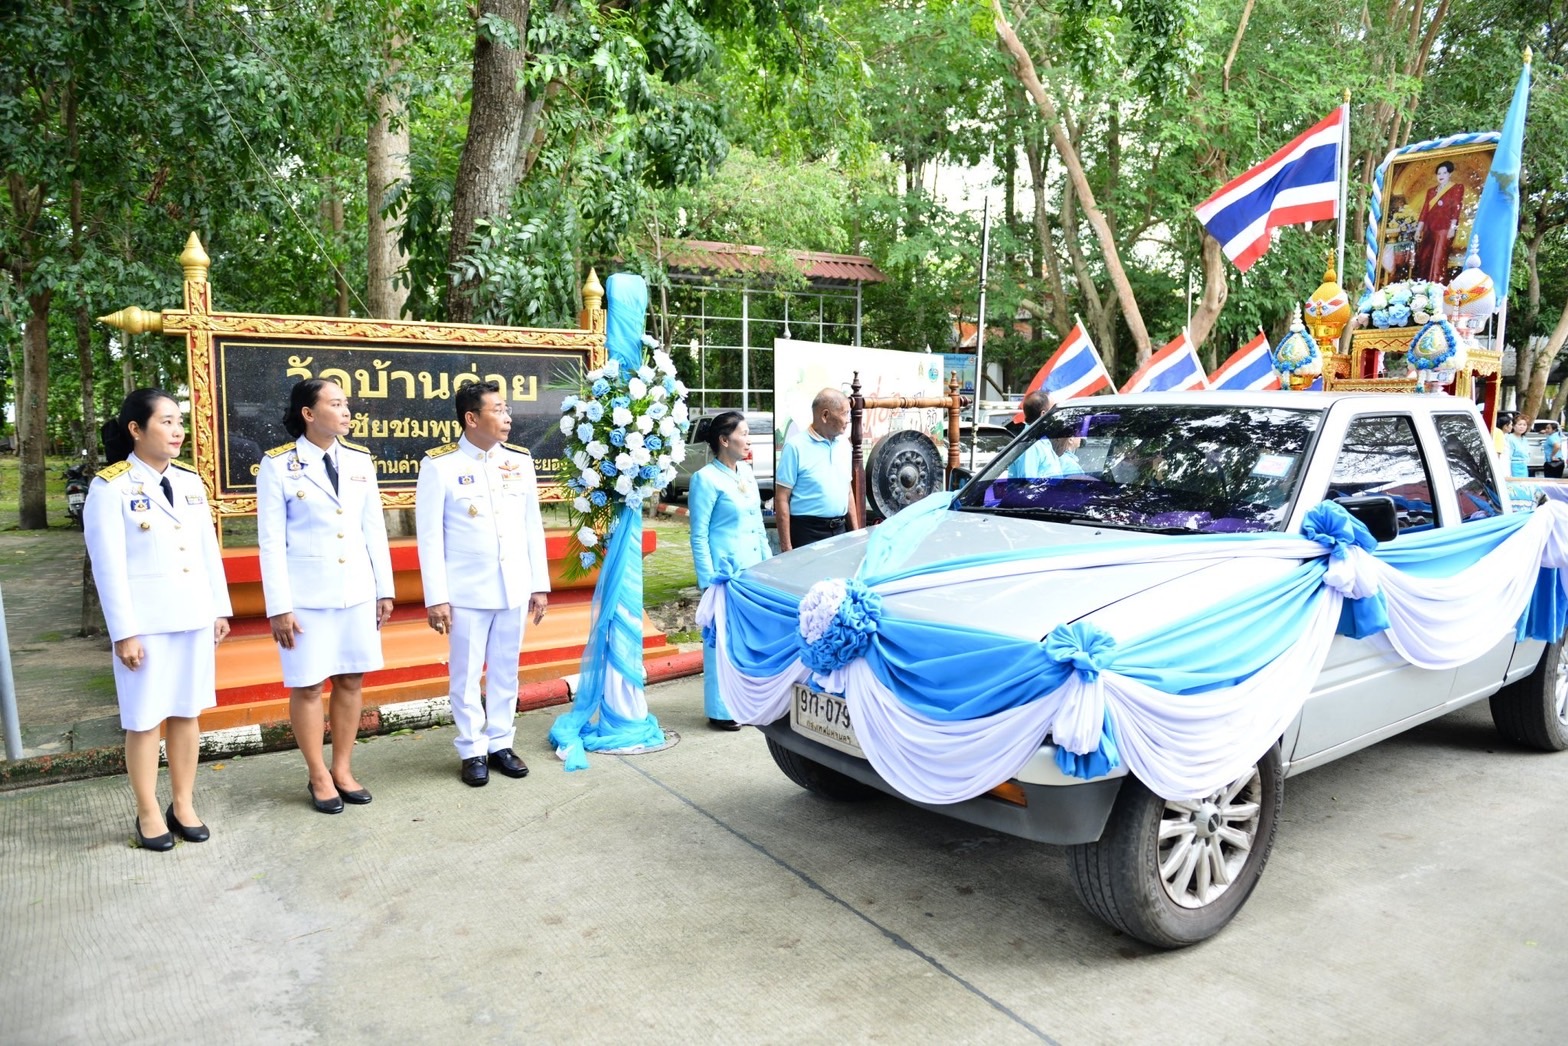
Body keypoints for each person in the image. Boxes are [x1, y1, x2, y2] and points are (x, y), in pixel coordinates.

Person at [83, 389, 232, 851]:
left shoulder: (189, 481)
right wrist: (123, 632)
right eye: (166, 422)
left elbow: (207, 548)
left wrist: (219, 608)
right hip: (144, 624)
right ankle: (148, 810)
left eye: (179, 421)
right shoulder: (110, 487)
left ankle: (182, 803)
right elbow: (107, 566)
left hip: (192, 615)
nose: (177, 431)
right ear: (136, 429)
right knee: (145, 720)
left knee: (187, 712)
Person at [258, 379, 395, 814]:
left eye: (346, 403)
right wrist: (279, 607)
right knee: (309, 684)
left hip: (356, 590)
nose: (346, 411)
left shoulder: (359, 461)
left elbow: (374, 528)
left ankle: (342, 767)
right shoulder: (278, 466)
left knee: (352, 678)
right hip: (306, 599)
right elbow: (270, 542)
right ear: (309, 413)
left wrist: (384, 589)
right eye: (335, 404)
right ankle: (317, 773)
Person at [416, 380, 549, 787]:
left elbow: (532, 528)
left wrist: (538, 585)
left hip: (512, 586)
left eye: (507, 410)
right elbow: (429, 537)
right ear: (471, 418)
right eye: (498, 410)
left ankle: (500, 743)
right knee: (467, 673)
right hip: (466, 592)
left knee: (506, 671)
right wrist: (437, 597)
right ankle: (472, 748)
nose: (507, 418)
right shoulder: (439, 466)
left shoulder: (519, 462)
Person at [688, 411, 772, 730]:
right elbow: (698, 534)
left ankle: (748, 704)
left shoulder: (747, 473)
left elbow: (757, 525)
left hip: (753, 571)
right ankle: (721, 710)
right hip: (725, 574)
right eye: (745, 433)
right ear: (725, 440)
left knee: (749, 640)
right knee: (720, 642)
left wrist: (768, 564)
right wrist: (708, 580)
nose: (749, 439)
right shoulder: (705, 479)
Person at [775, 388, 858, 551]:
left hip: (840, 530)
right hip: (808, 532)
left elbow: (847, 491)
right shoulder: (795, 447)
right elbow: (781, 498)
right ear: (825, 415)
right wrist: (786, 547)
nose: (848, 420)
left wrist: (856, 533)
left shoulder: (844, 445)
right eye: (844, 413)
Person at [1413, 160, 1464, 284]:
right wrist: (1418, 230)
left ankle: (1436, 287)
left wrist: (1452, 228)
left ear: (1449, 174)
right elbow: (1424, 211)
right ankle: (1421, 286)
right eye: (1439, 173)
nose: (1441, 176)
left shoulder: (1457, 188)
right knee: (1424, 258)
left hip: (1444, 229)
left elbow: (1456, 208)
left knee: (1438, 259)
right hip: (1429, 229)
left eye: (1444, 173)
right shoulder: (1431, 191)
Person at [1503, 413, 1531, 479]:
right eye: (1519, 424)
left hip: (1524, 466)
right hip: (1513, 467)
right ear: (1514, 426)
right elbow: (1507, 456)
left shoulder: (1524, 439)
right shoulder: (1509, 438)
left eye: (1524, 425)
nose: (1522, 427)